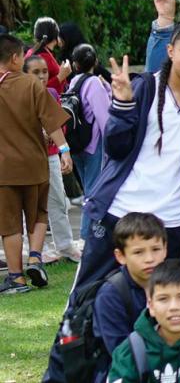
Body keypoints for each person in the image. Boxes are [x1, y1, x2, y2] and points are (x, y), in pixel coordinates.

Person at [73, 21, 180, 298]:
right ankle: (72, 331)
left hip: (171, 220)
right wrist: (123, 104)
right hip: (121, 210)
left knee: (157, 302)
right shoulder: (145, 87)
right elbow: (115, 148)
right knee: (88, 295)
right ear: (170, 51)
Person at [0, 32, 70, 295]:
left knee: (10, 225)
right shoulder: (32, 85)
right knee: (39, 214)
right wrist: (64, 150)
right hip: (36, 165)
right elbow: (51, 122)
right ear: (15, 58)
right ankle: (35, 258)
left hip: (4, 170)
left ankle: (16, 279)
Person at [91, 212, 168, 382]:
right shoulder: (110, 295)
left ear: (165, 249)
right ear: (120, 256)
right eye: (138, 252)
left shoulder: (174, 285)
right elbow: (120, 352)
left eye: (156, 249)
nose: (149, 259)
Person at [21, 54, 74, 280]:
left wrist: (62, 149)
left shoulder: (51, 93)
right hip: (28, 159)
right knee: (30, 205)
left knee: (58, 201)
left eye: (44, 72)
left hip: (51, 156)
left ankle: (65, 245)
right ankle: (34, 250)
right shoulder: (18, 96)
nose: (42, 76)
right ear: (25, 74)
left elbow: (59, 126)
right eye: (36, 72)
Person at [67, 43, 111, 247]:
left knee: (88, 189)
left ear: (74, 64)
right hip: (93, 145)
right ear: (96, 62)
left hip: (77, 144)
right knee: (93, 191)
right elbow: (104, 118)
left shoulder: (74, 81)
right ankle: (86, 237)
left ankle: (89, 234)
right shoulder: (93, 83)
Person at [27, 17, 69, 93]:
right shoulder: (42, 57)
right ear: (56, 35)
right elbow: (38, 89)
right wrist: (61, 76)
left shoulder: (32, 51)